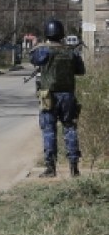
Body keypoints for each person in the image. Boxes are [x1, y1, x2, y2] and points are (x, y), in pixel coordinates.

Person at [29, 19, 85, 178]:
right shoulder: (70, 51)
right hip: (67, 95)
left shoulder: (43, 51)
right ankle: (74, 167)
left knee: (49, 130)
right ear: (62, 33)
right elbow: (80, 71)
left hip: (48, 95)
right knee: (70, 128)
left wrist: (38, 44)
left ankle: (50, 167)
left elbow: (33, 59)